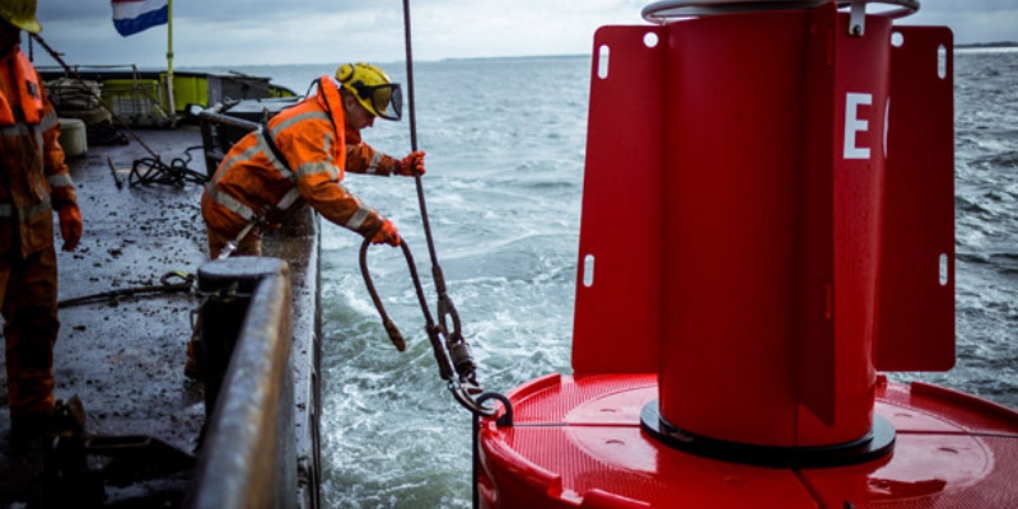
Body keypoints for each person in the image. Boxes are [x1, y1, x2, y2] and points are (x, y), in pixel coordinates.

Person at [191, 62, 424, 377]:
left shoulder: (326, 120)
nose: (370, 124)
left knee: (240, 291)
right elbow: (322, 190)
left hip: (245, 211)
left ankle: (208, 360)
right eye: (369, 115)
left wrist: (398, 166)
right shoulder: (313, 128)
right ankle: (208, 369)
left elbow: (352, 155)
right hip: (232, 212)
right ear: (351, 101)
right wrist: (374, 224)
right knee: (236, 293)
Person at [0, 0, 83, 437]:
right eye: (7, 26)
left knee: (36, 325)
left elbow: (48, 138)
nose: (16, 37)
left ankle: (33, 417)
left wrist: (65, 200)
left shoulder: (23, 73)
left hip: (32, 233)